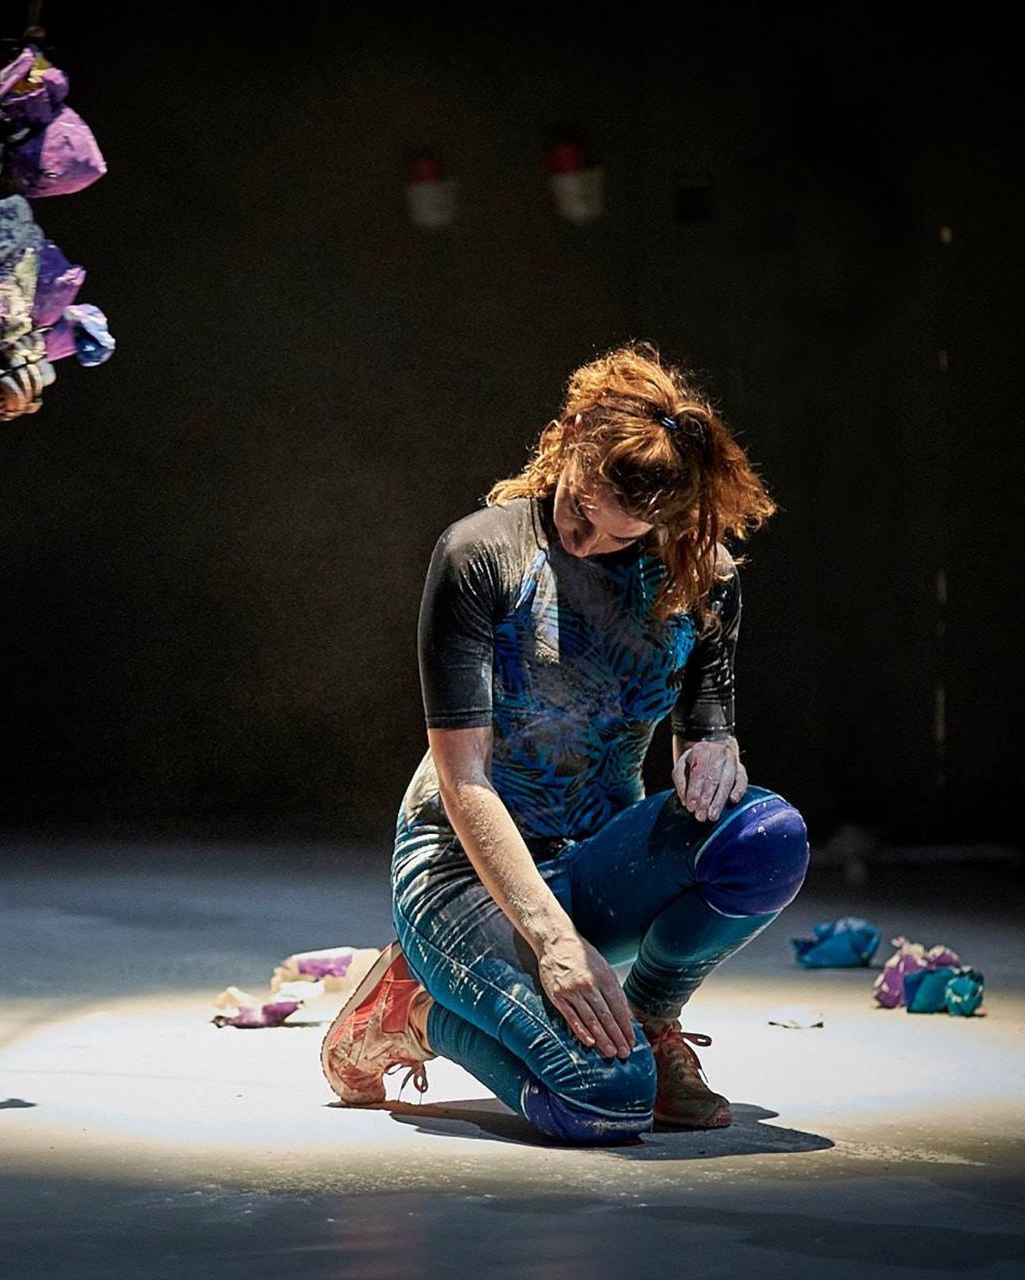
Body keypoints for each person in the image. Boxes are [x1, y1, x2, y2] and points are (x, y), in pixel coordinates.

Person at [321, 341, 811, 1142]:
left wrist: (715, 756)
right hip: (465, 871)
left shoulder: (700, 573)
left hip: (592, 857)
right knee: (603, 1101)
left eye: (617, 535)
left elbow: (704, 733)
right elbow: (464, 780)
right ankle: (413, 1010)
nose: (584, 540)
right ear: (571, 434)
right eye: (580, 510)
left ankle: (651, 1020)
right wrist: (553, 942)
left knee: (767, 838)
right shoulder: (483, 554)